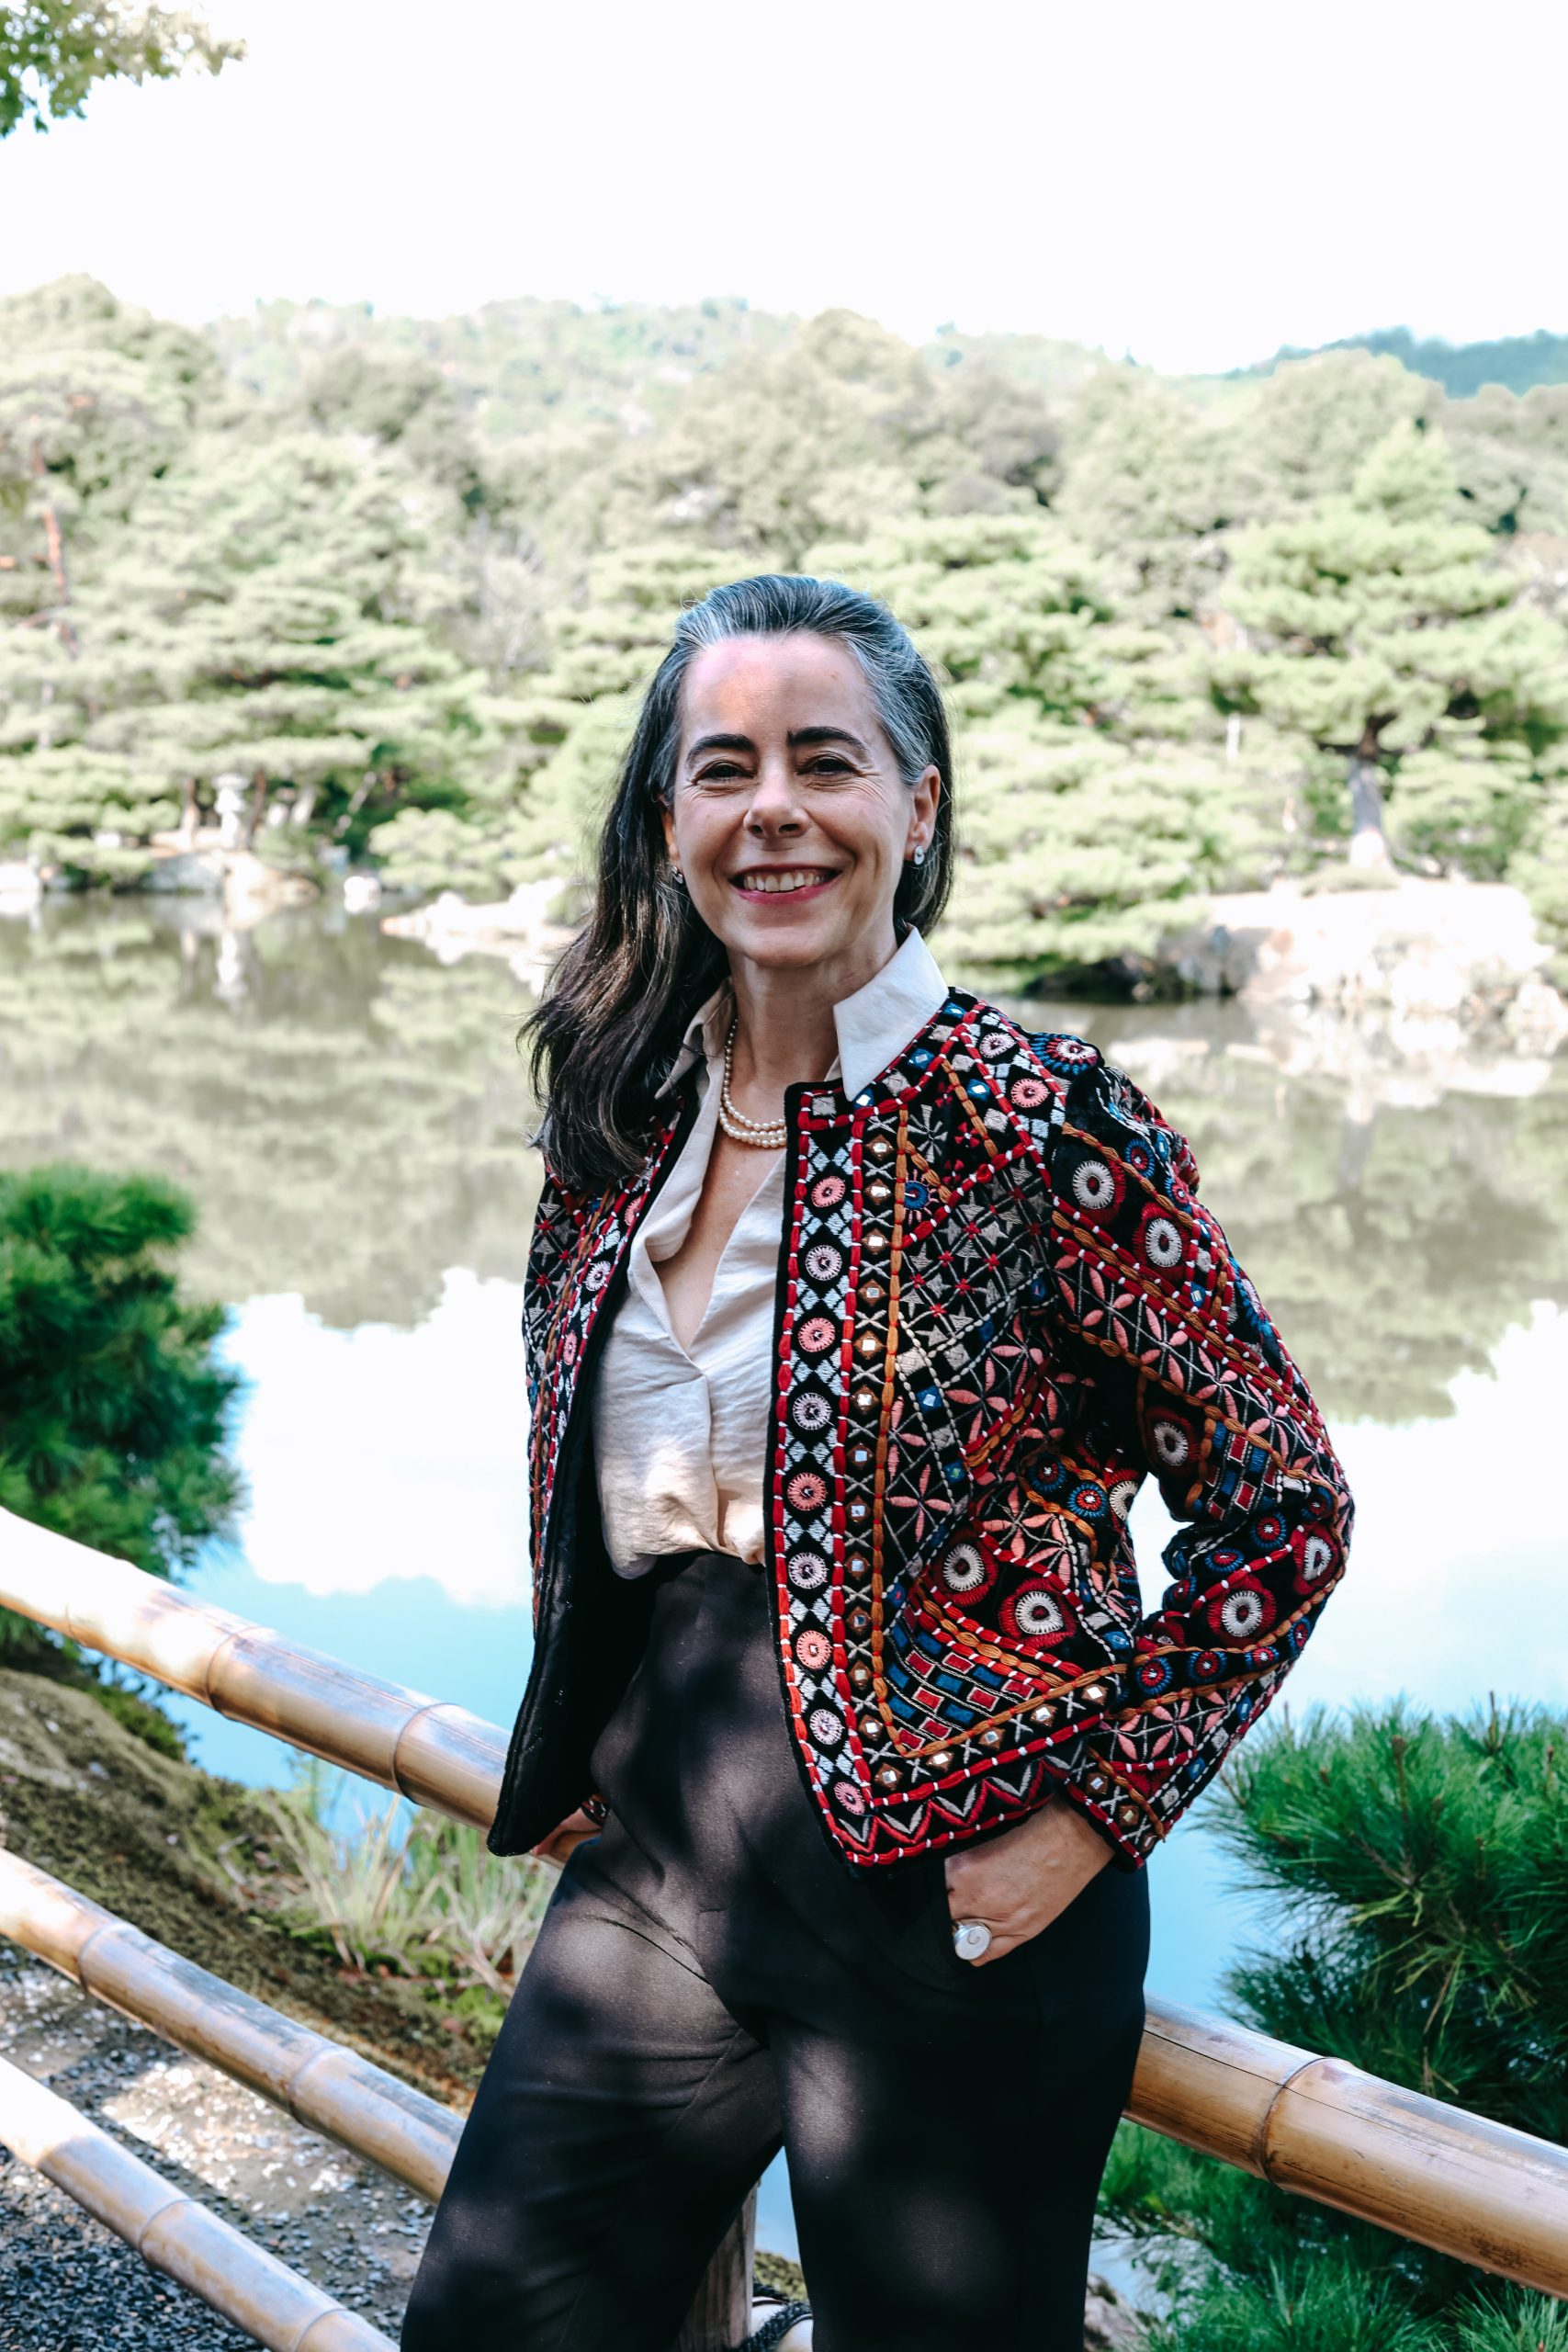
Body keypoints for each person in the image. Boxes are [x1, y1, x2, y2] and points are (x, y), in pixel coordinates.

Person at [400, 575, 1354, 2352]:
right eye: (723, 768)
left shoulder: (1038, 1114)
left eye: (824, 762)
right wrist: (587, 1727)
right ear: (669, 821)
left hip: (963, 1898)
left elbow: (1283, 1500)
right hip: (666, 1857)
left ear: (916, 808)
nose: (774, 809)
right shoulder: (620, 1119)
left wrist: (1091, 1816)